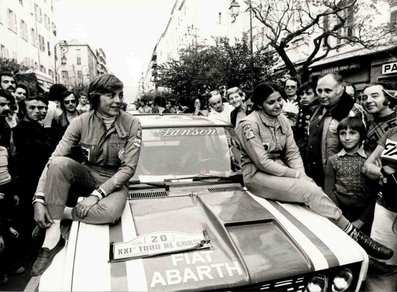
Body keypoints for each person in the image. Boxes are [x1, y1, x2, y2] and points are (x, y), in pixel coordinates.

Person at [235, 82, 393, 263]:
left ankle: (354, 253)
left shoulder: (282, 119)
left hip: (281, 171)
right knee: (309, 191)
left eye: (279, 100)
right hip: (257, 175)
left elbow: (292, 152)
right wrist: (297, 177)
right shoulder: (247, 125)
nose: (278, 105)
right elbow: (262, 162)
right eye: (271, 102)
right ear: (259, 105)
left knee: (311, 190)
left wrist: (302, 175)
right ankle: (357, 237)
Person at [30, 74, 142, 276]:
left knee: (109, 213)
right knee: (58, 163)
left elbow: (128, 169)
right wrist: (38, 199)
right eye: (111, 95)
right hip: (88, 172)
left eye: (120, 95)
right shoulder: (80, 122)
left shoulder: (132, 123)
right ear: (95, 97)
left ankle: (61, 213)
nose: (118, 100)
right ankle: (52, 239)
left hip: (115, 179)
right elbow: (54, 159)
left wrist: (96, 195)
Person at [306, 72, 362, 188]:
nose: (322, 95)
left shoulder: (351, 112)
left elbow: (357, 151)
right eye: (319, 90)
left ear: (340, 90)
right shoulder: (317, 109)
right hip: (315, 175)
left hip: (338, 181)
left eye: (327, 91)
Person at [13, 95, 56, 246]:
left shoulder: (37, 126)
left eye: (44, 108)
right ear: (24, 109)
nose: (40, 111)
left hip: (41, 178)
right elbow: (45, 149)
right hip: (30, 182)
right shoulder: (21, 130)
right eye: (33, 107)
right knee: (33, 220)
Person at [324, 117, 376, 234]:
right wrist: (339, 217)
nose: (347, 138)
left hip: (365, 215)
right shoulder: (333, 160)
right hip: (340, 212)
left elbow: (375, 195)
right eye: (342, 133)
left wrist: (361, 221)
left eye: (352, 133)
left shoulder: (370, 161)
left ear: (361, 135)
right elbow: (329, 190)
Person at [363, 125, 397, 290]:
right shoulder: (392, 132)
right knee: (381, 267)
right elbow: (367, 166)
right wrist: (387, 174)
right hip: (387, 206)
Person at [362, 83, 397, 153]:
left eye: (374, 96)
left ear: (389, 100)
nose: (368, 101)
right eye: (365, 98)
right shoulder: (366, 125)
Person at [293, 80, 320, 163]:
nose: (303, 97)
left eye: (308, 94)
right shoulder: (301, 111)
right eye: (301, 95)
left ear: (316, 96)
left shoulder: (319, 111)